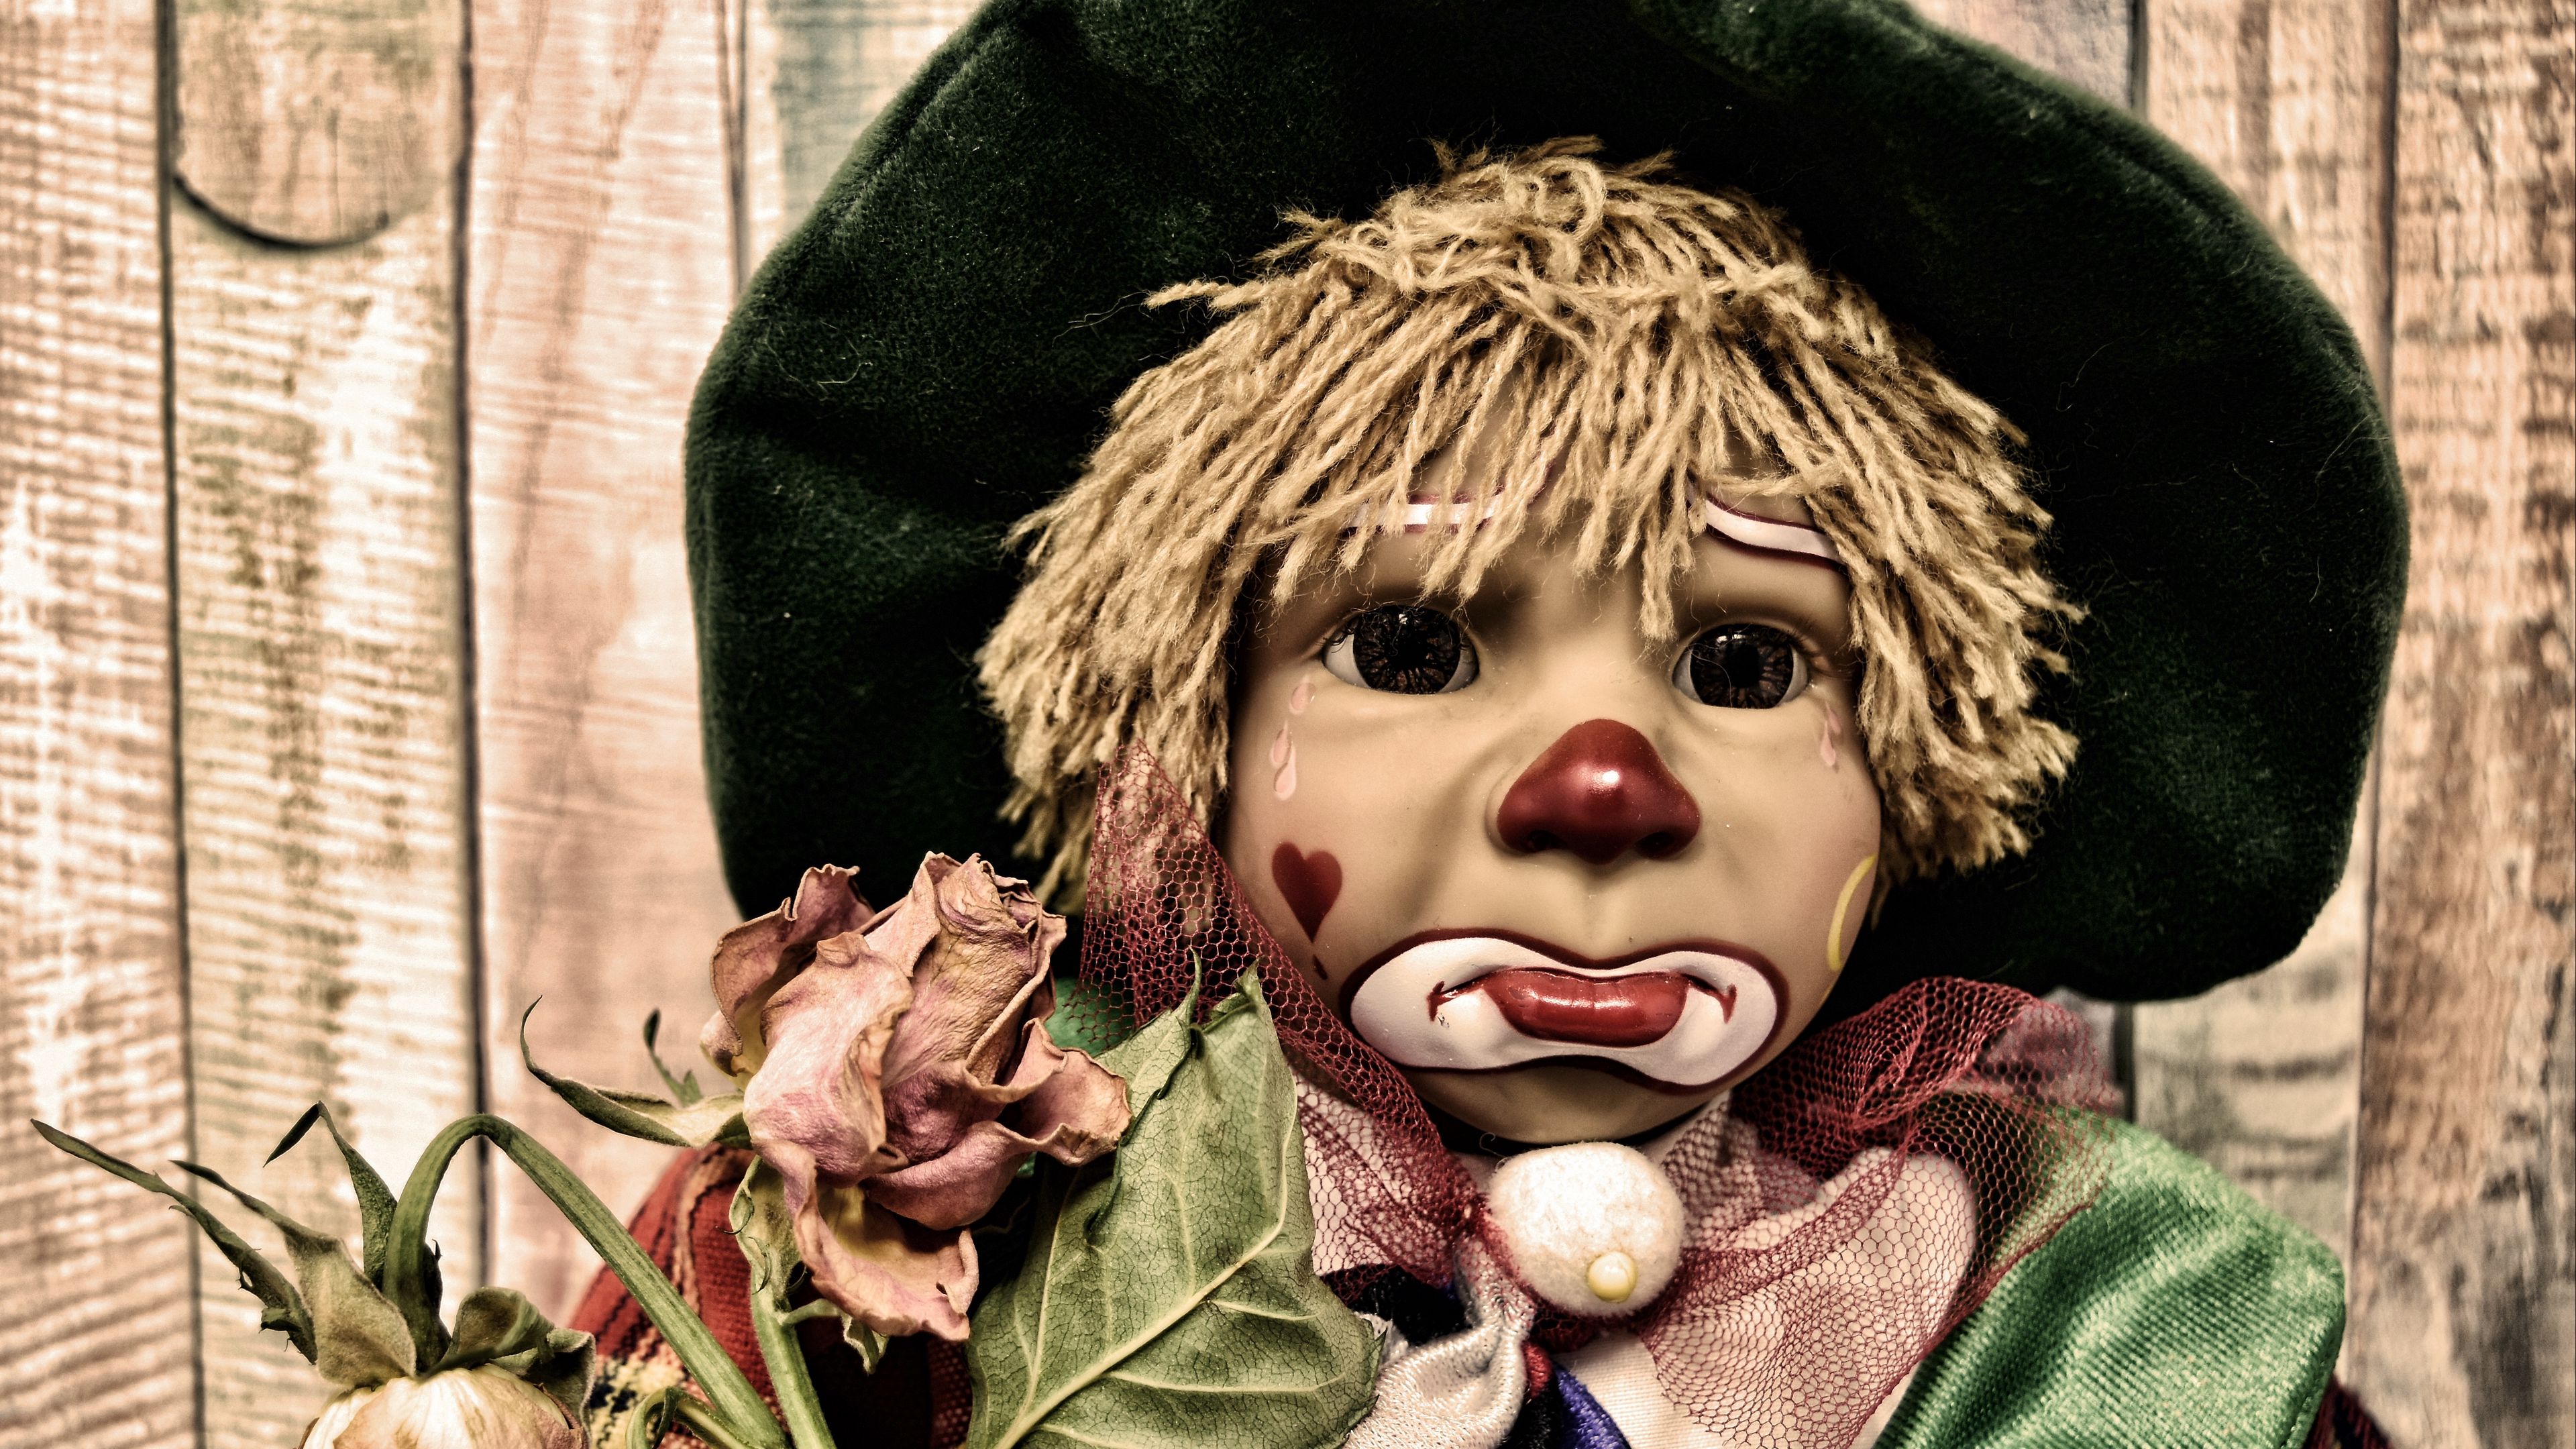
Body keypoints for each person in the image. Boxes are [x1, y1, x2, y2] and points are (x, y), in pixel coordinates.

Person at [576, 4, 2406, 1446]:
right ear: (1176, 717)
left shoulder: (2106, 1326)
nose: (1602, 788)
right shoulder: (884, 1250)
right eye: (1408, 642)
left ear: (1926, 763)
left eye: (1748, 667)